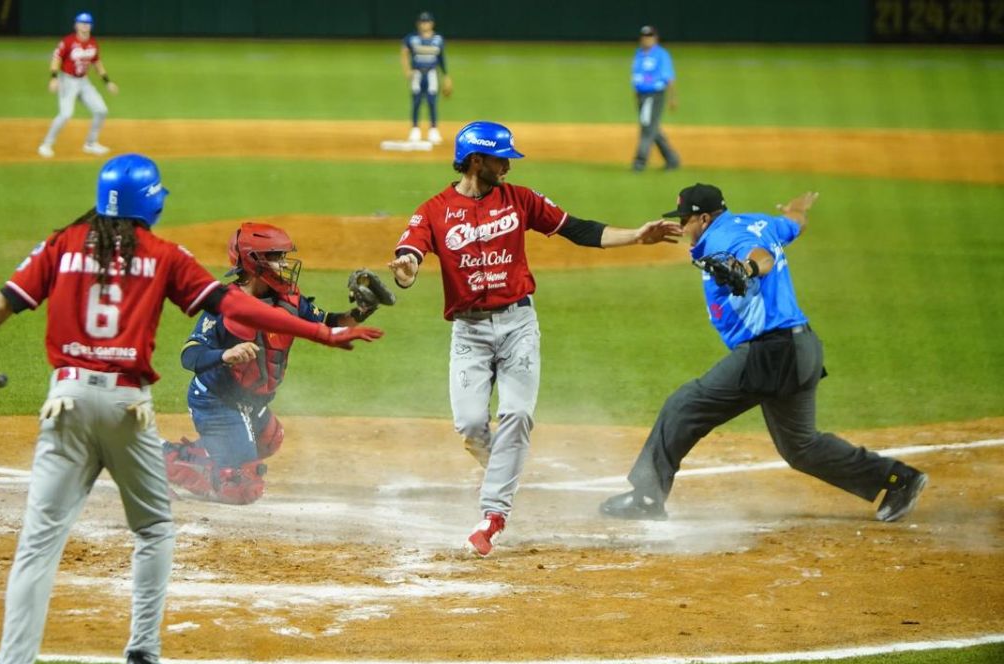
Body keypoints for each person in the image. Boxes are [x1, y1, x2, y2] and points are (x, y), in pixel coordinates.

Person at [0, 154, 382, 664]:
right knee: (153, 532)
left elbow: (0, 303)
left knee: (38, 545)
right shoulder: (163, 255)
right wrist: (325, 334)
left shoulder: (60, 246)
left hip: (64, 402)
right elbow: (235, 309)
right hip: (127, 407)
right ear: (150, 202)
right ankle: (142, 661)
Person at [388, 120, 682, 557]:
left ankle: (492, 515)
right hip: (468, 332)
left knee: (517, 414)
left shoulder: (520, 200)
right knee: (470, 425)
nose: (507, 165)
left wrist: (636, 236)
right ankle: (500, 466)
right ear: (475, 161)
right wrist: (406, 269)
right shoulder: (433, 210)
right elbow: (409, 253)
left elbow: (578, 229)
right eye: (500, 158)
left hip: (517, 326)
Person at [598, 183, 927, 523]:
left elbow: (760, 256)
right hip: (802, 348)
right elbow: (795, 224)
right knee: (801, 448)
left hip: (771, 351)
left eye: (686, 219)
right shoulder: (760, 222)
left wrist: (746, 269)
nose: (683, 227)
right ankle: (899, 479)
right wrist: (797, 208)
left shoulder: (725, 239)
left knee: (684, 407)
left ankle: (647, 496)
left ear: (705, 217)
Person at [162, 222, 385, 504]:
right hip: (217, 401)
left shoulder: (289, 299)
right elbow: (190, 354)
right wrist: (225, 355)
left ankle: (200, 456)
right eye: (276, 257)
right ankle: (162, 462)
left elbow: (330, 322)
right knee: (242, 490)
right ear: (254, 262)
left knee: (269, 439)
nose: (284, 264)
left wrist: (363, 310)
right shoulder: (226, 305)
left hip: (252, 401)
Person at [38, 12, 119, 159]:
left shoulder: (92, 43)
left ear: (91, 26)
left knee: (101, 110)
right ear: (76, 25)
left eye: (87, 23)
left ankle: (91, 144)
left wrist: (107, 81)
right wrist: (54, 77)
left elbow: (97, 63)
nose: (84, 26)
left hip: (84, 82)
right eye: (82, 23)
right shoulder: (68, 42)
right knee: (66, 114)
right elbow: (56, 58)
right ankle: (46, 144)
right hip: (67, 80)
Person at [630, 25, 680, 172]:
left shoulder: (661, 55)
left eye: (650, 36)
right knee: (653, 128)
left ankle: (640, 161)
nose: (647, 39)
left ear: (655, 38)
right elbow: (636, 77)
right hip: (641, 96)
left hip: (654, 95)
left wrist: (673, 97)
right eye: (645, 36)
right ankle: (672, 159)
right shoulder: (638, 53)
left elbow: (669, 77)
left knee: (647, 128)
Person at [400, 11, 452, 145]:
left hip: (432, 73)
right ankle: (415, 129)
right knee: (416, 101)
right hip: (417, 73)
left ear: (432, 23)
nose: (425, 24)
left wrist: (446, 76)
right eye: (422, 22)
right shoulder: (412, 38)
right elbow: (404, 52)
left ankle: (433, 130)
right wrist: (407, 70)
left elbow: (441, 59)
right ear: (418, 24)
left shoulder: (438, 39)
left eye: (427, 22)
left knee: (432, 101)